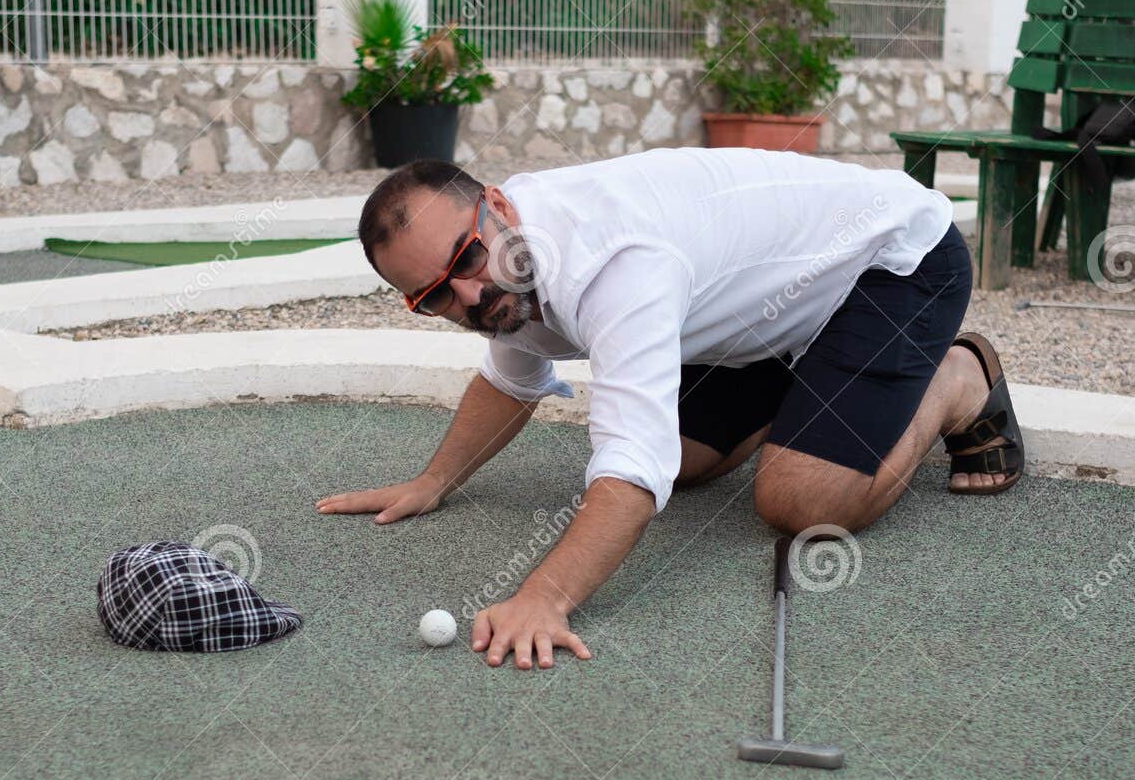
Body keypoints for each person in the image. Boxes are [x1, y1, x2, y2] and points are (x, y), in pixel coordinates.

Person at [315, 150, 1024, 672]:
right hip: (768, 307)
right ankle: (819, 383)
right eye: (433, 295)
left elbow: (632, 469)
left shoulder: (615, 265)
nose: (466, 297)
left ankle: (958, 377)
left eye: (466, 258)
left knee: (798, 499)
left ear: (497, 207)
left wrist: (546, 597)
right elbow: (512, 375)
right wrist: (433, 480)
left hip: (893, 261)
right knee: (685, 458)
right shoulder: (509, 262)